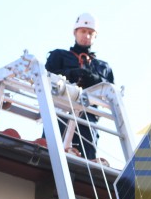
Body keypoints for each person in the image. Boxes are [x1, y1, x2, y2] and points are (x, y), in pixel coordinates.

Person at [45, 13, 114, 161]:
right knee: (49, 155)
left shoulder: (102, 67)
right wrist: (70, 74)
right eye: (83, 31)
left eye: (90, 33)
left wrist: (95, 79)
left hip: (88, 121)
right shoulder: (59, 56)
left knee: (85, 162)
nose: (87, 36)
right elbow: (46, 78)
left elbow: (112, 94)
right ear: (75, 32)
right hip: (60, 114)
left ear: (95, 36)